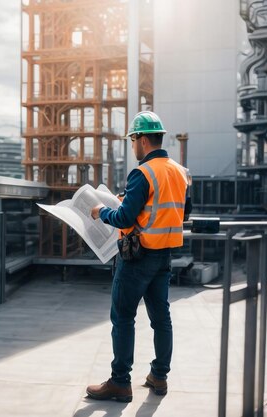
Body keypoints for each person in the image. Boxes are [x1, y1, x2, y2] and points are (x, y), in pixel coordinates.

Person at [86, 111, 190, 402]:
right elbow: (177, 210)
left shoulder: (143, 173)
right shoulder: (179, 171)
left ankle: (120, 382)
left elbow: (124, 217)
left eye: (133, 140)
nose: (132, 146)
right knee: (161, 318)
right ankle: (159, 375)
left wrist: (101, 212)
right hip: (164, 256)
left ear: (143, 140)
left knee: (122, 317)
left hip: (138, 257)